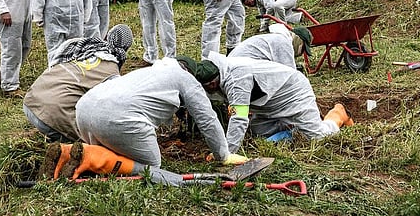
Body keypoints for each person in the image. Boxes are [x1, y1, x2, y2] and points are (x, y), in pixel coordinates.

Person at [75, 56, 249, 168]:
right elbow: (207, 119)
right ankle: (97, 161)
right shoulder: (185, 78)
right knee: (152, 166)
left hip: (83, 109)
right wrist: (223, 155)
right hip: (115, 118)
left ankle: (80, 153)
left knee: (114, 145)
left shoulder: (149, 72)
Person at [196, 52, 354, 154]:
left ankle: (338, 115)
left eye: (209, 87)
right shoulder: (220, 72)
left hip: (293, 94)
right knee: (258, 131)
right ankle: (293, 127)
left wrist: (226, 153)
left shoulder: (237, 80)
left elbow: (240, 118)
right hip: (269, 104)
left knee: (317, 137)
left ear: (213, 83)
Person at [23, 24, 133, 143]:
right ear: (125, 49)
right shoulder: (112, 73)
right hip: (51, 117)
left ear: (107, 37)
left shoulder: (84, 48)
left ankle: (52, 136)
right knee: (96, 143)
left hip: (30, 102)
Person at [228, 23, 313, 68]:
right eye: (303, 49)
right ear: (299, 41)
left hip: (235, 64)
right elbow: (289, 74)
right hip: (239, 67)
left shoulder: (278, 39)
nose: (301, 53)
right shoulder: (283, 43)